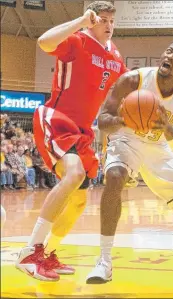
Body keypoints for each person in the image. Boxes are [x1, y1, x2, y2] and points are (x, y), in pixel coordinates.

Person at [86, 40, 173, 291]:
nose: (171, 56)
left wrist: (169, 130)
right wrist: (125, 119)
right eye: (169, 51)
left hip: (160, 148)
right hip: (127, 139)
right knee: (115, 177)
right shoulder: (133, 81)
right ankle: (104, 262)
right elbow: (103, 121)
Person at [16, 1, 127, 281]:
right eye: (102, 19)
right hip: (57, 118)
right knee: (74, 173)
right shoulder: (76, 41)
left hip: (83, 131)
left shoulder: (114, 55)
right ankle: (30, 252)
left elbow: (128, 85)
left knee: (79, 201)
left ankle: (49, 253)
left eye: (111, 20)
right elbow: (43, 42)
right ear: (91, 20)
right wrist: (80, 22)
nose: (108, 25)